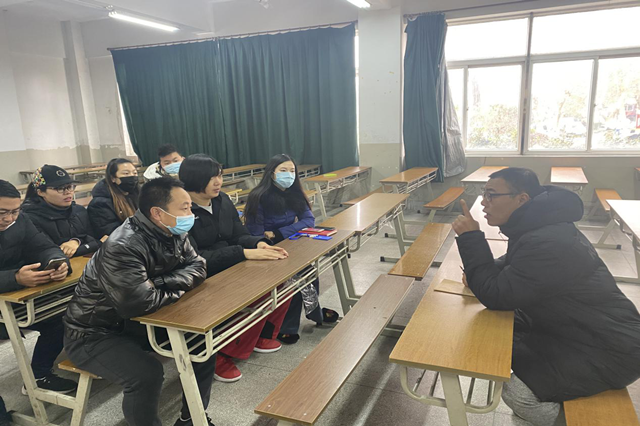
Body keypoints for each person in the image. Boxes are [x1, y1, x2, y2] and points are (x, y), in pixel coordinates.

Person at [452, 167, 640, 426]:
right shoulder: (539, 224)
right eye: (484, 194)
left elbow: (497, 295)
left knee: (517, 394)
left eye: (491, 195)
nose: (484, 202)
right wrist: (480, 272)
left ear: (522, 199)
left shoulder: (549, 242)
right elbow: (516, 262)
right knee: (491, 335)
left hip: (610, 349)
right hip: (573, 328)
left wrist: (471, 238)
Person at [63, 178, 215, 426]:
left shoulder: (174, 231)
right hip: (94, 333)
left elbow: (199, 267)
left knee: (201, 346)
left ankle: (191, 420)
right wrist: (177, 288)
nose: (191, 214)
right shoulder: (124, 244)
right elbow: (139, 303)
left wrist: (160, 282)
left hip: (137, 322)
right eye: (185, 208)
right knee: (146, 375)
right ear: (158, 213)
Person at [178, 154, 290, 383]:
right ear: (194, 178)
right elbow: (195, 257)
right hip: (203, 273)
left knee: (282, 282)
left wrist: (257, 243)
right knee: (252, 293)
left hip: (231, 261)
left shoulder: (222, 200)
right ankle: (221, 354)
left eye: (220, 175)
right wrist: (243, 253)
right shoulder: (181, 210)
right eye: (212, 177)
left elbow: (238, 233)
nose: (218, 181)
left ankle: (258, 336)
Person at [244, 154, 338, 344]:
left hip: (286, 241)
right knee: (295, 278)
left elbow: (308, 220)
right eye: (283, 170)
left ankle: (315, 313)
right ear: (272, 173)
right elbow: (256, 233)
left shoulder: (295, 193)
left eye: (292, 171)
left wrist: (278, 233)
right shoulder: (258, 196)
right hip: (266, 247)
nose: (289, 175)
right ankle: (288, 326)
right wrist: (274, 237)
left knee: (309, 270)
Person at [0, 180, 76, 394]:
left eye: (14, 211)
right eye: (2, 212)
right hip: (9, 294)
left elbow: (44, 247)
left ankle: (39, 375)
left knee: (64, 317)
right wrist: (15, 278)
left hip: (18, 297)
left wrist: (59, 263)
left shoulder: (21, 221)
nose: (9, 219)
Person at [22, 165, 101, 258]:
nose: (68, 192)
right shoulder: (29, 219)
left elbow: (96, 240)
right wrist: (88, 245)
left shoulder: (79, 211)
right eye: (60, 188)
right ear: (41, 192)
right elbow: (53, 253)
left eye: (70, 187)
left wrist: (77, 241)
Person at [88, 158, 139, 238]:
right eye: (126, 173)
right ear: (113, 178)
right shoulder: (100, 204)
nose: (132, 176)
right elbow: (112, 232)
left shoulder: (138, 195)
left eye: (135, 173)